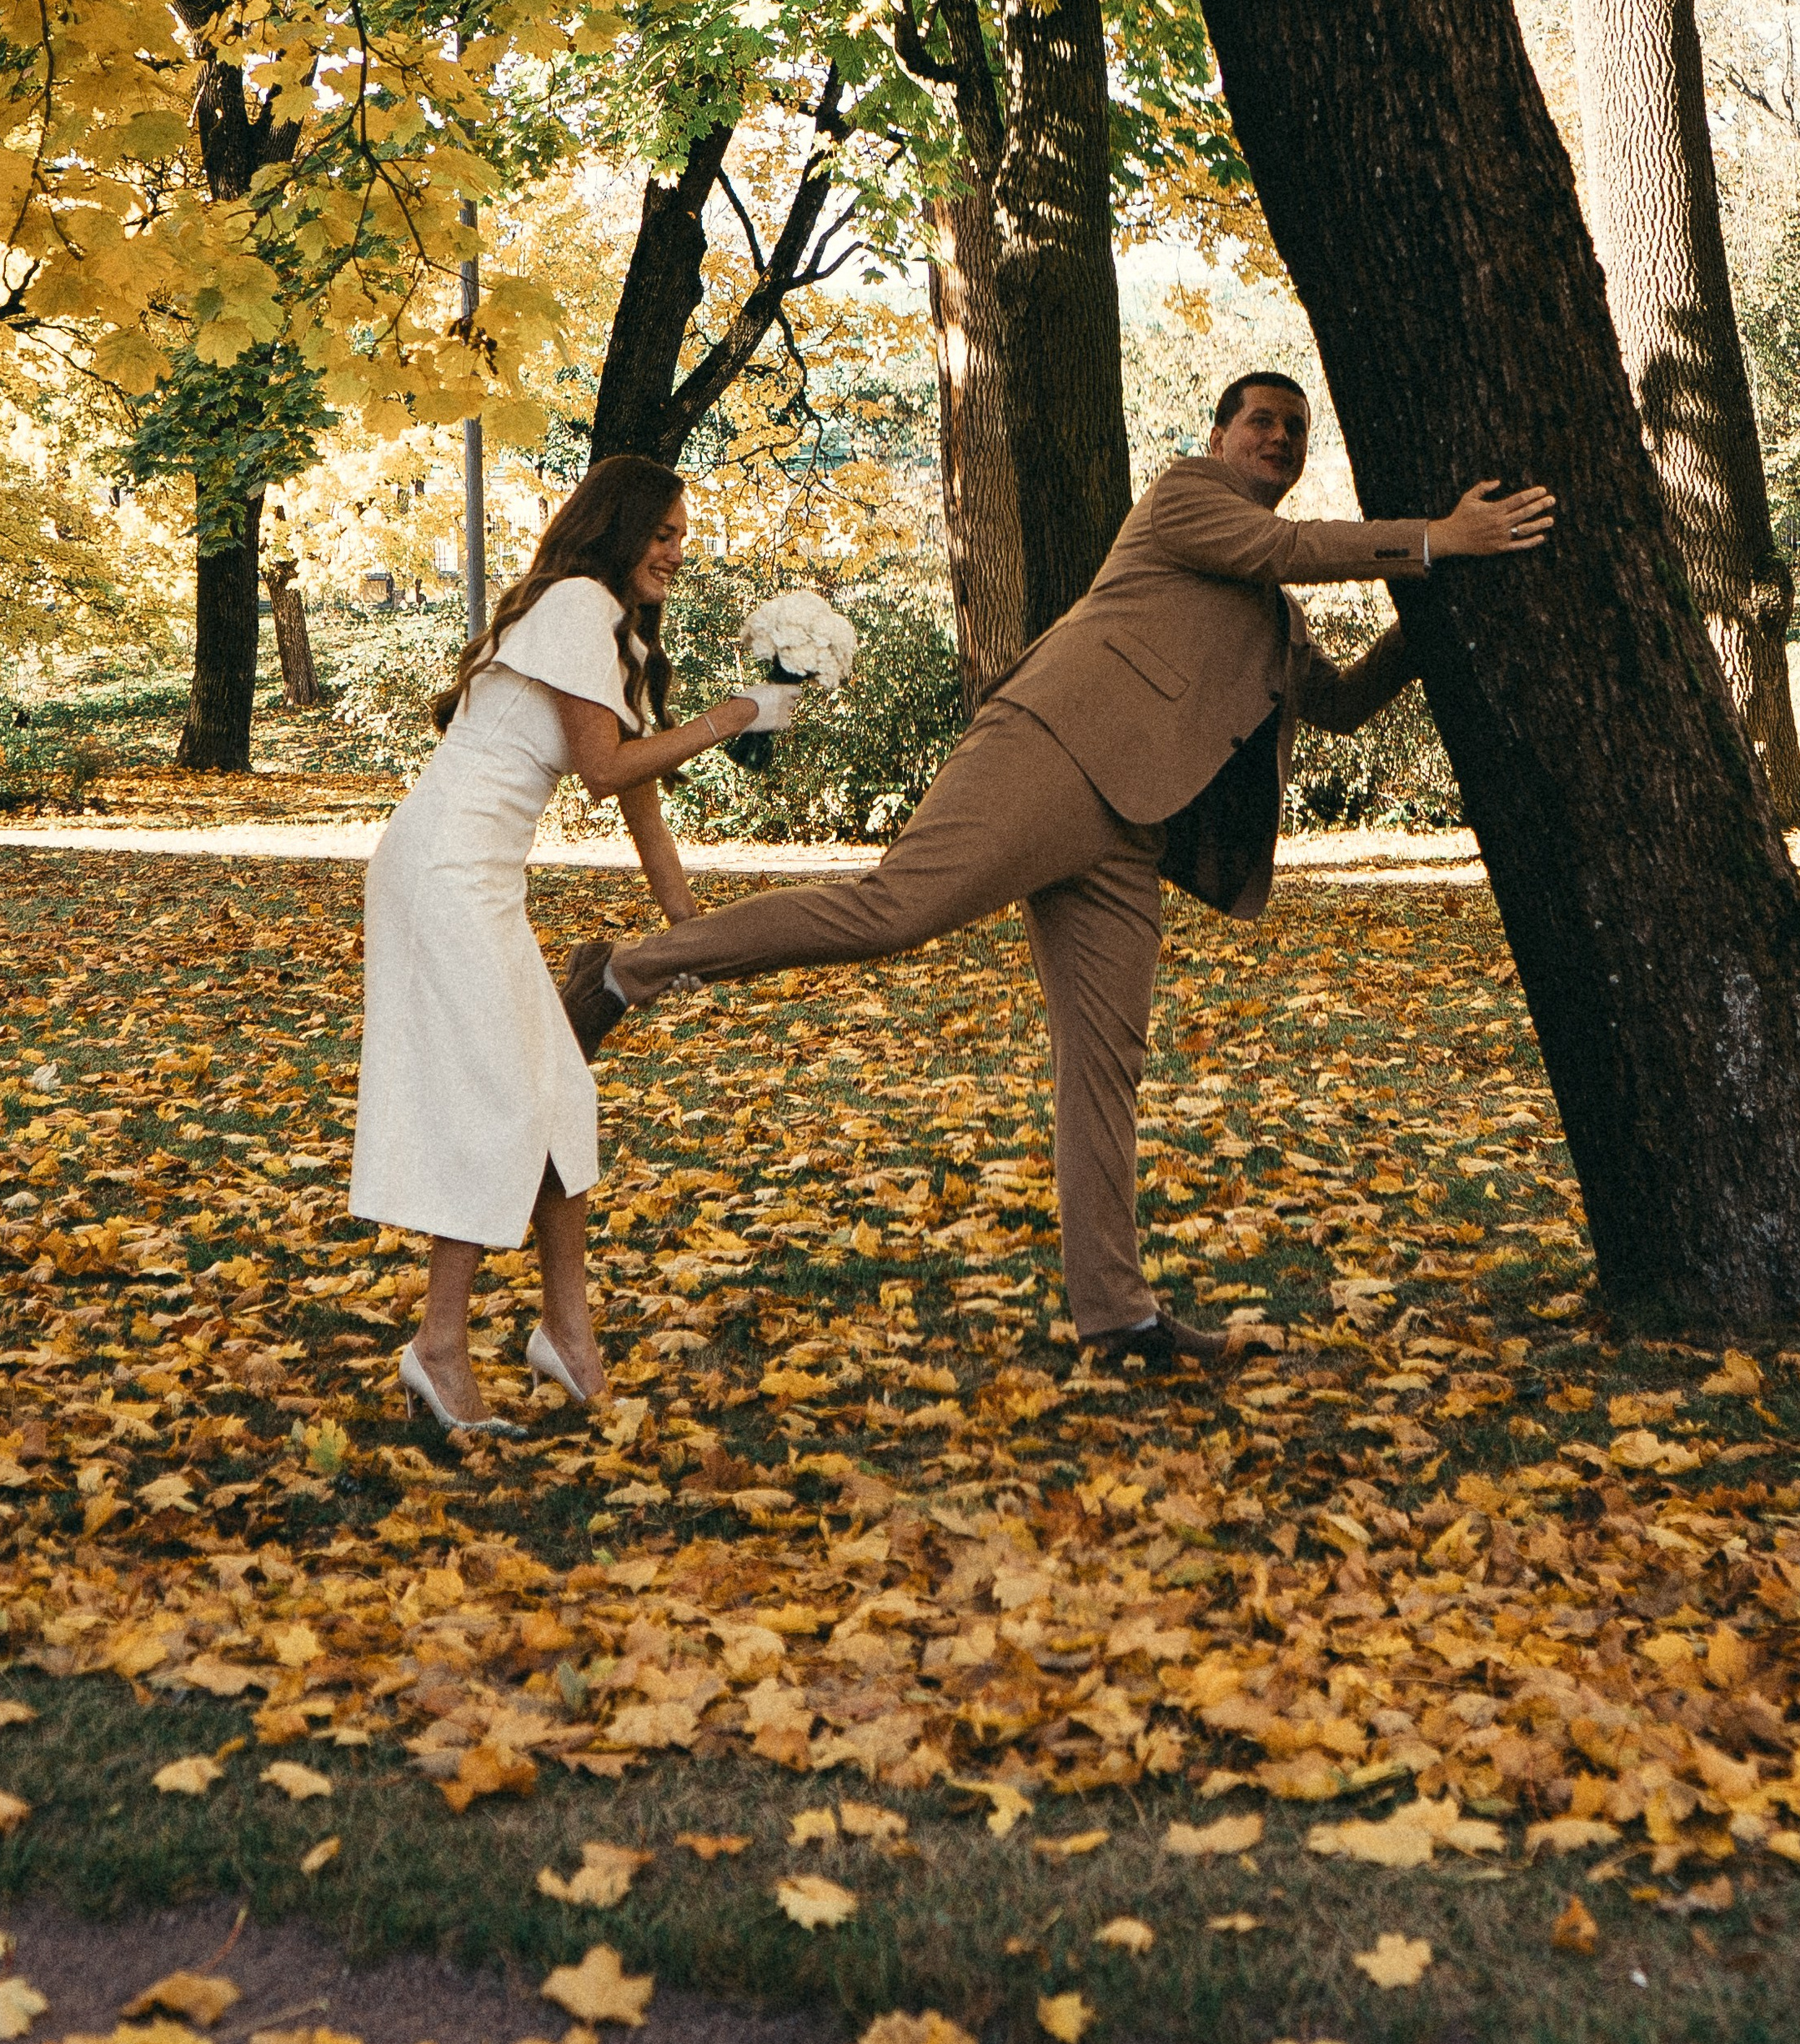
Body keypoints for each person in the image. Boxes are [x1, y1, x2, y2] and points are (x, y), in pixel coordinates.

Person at [559, 378, 1555, 1372]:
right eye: (1263, 420)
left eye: (1296, 430)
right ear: (1220, 435)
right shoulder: (1184, 497)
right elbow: (1282, 546)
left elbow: (1335, 703)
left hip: (1131, 838)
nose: (1280, 438)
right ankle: (627, 971)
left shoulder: (1277, 621)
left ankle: (1116, 1318)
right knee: (893, 910)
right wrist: (1439, 537)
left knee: (1104, 1064)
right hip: (1048, 753)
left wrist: (1437, 615)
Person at [349, 453, 799, 1434]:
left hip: (479, 878)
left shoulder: (611, 635)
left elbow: (638, 797)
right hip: (442, 875)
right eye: (664, 533)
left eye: (684, 537)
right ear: (618, 526)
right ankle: (436, 1344)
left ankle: (566, 1336)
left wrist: (689, 927)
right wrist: (733, 717)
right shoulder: (571, 609)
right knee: (504, 1098)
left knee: (562, 1097)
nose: (677, 553)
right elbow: (602, 771)